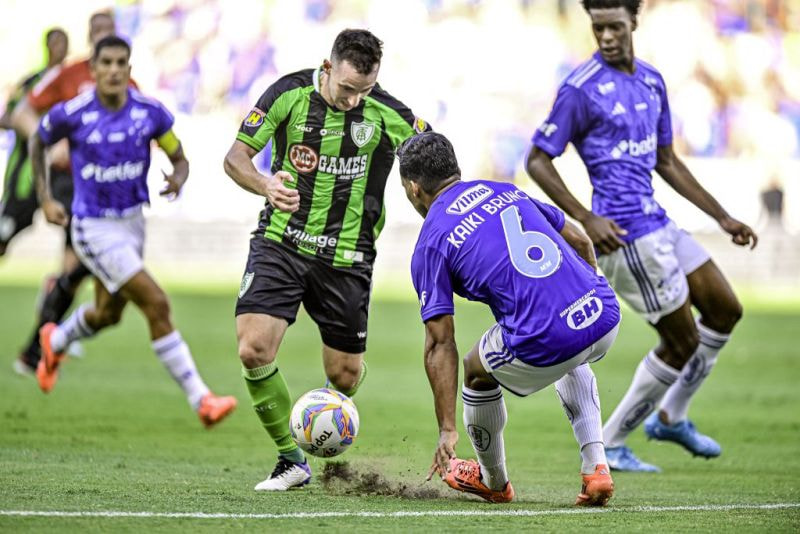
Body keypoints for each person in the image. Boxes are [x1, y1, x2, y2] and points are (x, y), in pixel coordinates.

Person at [526, 0, 757, 472]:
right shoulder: (580, 89)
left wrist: (723, 217)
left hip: (659, 221)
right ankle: (611, 442)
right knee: (681, 342)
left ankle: (672, 415)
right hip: (624, 236)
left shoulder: (652, 80)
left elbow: (667, 161)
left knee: (725, 310)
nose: (606, 37)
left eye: (614, 27)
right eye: (597, 28)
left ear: (634, 21)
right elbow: (536, 159)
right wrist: (585, 218)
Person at [223, 28, 431, 491]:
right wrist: (265, 185)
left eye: (366, 90)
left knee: (345, 373)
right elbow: (235, 158)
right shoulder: (288, 96)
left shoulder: (389, 114)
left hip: (348, 258)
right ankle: (290, 458)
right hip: (282, 242)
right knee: (253, 347)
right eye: (347, 89)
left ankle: (334, 407)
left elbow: (434, 163)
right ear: (327, 68)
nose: (355, 101)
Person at [399, 132, 621, 506]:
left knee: (475, 369)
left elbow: (440, 342)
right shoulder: (506, 190)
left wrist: (447, 428)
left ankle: (494, 481)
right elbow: (581, 241)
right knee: (574, 351)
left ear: (413, 188)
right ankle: (596, 468)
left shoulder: (431, 240)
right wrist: (585, 289)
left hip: (550, 337)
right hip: (604, 313)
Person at [31, 35, 237, 428]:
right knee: (156, 303)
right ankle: (202, 399)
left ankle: (54, 340)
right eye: (105, 62)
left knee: (108, 314)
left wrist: (178, 177)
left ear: (129, 68)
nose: (113, 70)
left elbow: (179, 156)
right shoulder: (73, 113)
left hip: (132, 223)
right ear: (92, 70)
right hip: (93, 226)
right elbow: (36, 141)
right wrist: (44, 197)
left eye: (120, 63)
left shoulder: (150, 114)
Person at [11, 12, 126, 375]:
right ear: (91, 38)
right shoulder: (69, 74)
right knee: (80, 266)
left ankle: (45, 343)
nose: (105, 39)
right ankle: (43, 345)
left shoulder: (129, 83)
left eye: (111, 32)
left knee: (77, 269)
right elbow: (22, 113)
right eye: (99, 34)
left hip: (107, 189)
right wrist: (49, 144)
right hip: (71, 184)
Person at [0, 28, 68, 258]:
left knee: (74, 232)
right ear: (47, 46)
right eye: (56, 42)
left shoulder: (72, 82)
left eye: (64, 42)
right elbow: (6, 118)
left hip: (63, 170)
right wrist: (36, 128)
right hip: (25, 171)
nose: (61, 47)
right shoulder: (31, 82)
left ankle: (60, 287)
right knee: (5, 229)